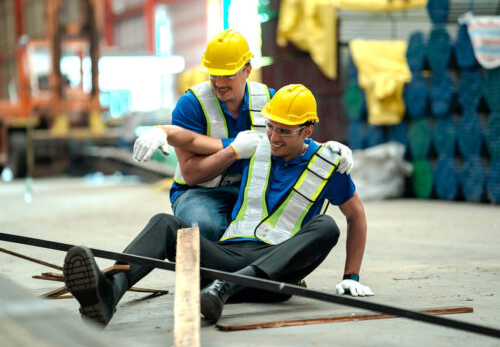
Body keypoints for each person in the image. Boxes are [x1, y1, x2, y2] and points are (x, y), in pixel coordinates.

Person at [63, 83, 372, 327]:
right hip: (229, 256)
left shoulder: (327, 165)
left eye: (284, 131)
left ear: (307, 131)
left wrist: (351, 276)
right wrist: (161, 132)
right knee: (164, 223)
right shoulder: (256, 146)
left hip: (276, 275)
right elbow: (195, 142)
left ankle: (225, 289)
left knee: (326, 226)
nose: (274, 137)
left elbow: (355, 216)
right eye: (271, 127)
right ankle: (109, 292)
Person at [133, 29, 354, 241]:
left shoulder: (269, 98)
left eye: (228, 76)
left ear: (247, 70)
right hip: (199, 193)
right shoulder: (191, 105)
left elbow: (291, 140)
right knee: (205, 227)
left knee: (286, 225)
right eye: (213, 76)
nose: (219, 84)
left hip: (255, 190)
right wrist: (233, 152)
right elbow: (191, 174)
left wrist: (326, 148)